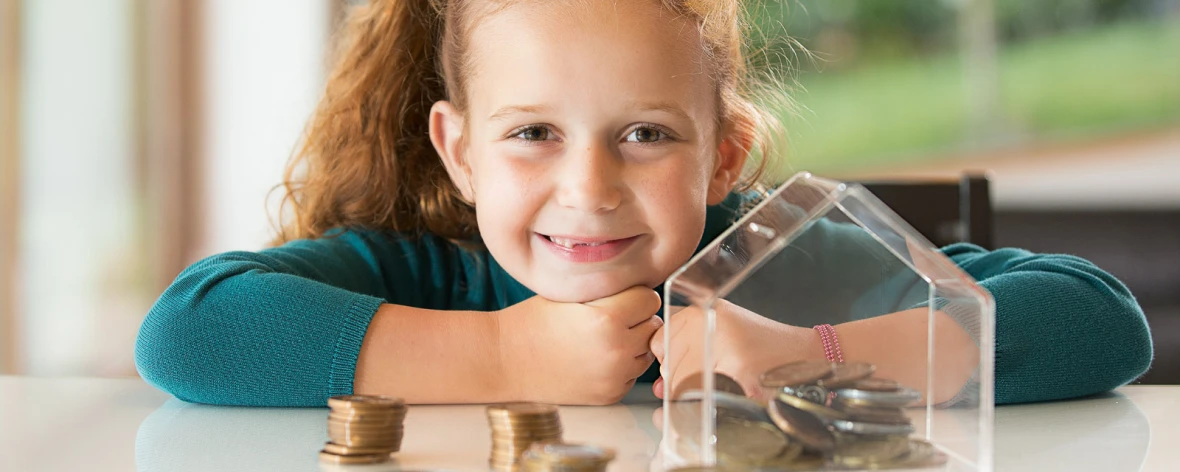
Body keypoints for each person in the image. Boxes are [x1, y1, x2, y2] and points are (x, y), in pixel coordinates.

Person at [134, 0, 1152, 407]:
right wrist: (502, 357)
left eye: (645, 134)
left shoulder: (771, 259)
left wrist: (813, 355)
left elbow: (1095, 320)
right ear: (460, 152)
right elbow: (189, 332)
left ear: (724, 156)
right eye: (533, 133)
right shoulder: (420, 270)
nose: (587, 190)